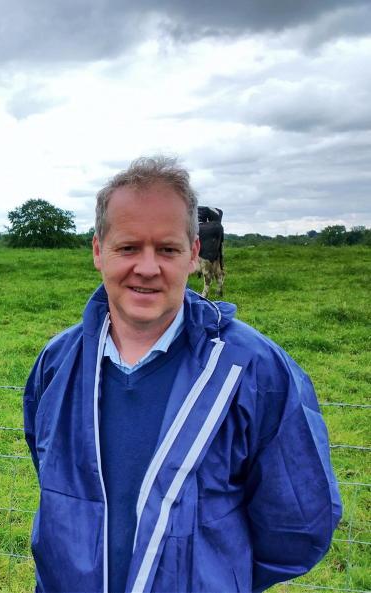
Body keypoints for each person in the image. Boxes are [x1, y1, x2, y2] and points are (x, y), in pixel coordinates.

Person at [23, 156, 341, 593]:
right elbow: (49, 475)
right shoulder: (58, 363)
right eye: (129, 247)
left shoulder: (253, 370)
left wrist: (218, 575)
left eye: (167, 249)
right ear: (98, 251)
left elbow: (298, 523)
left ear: (193, 253)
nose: (148, 268)